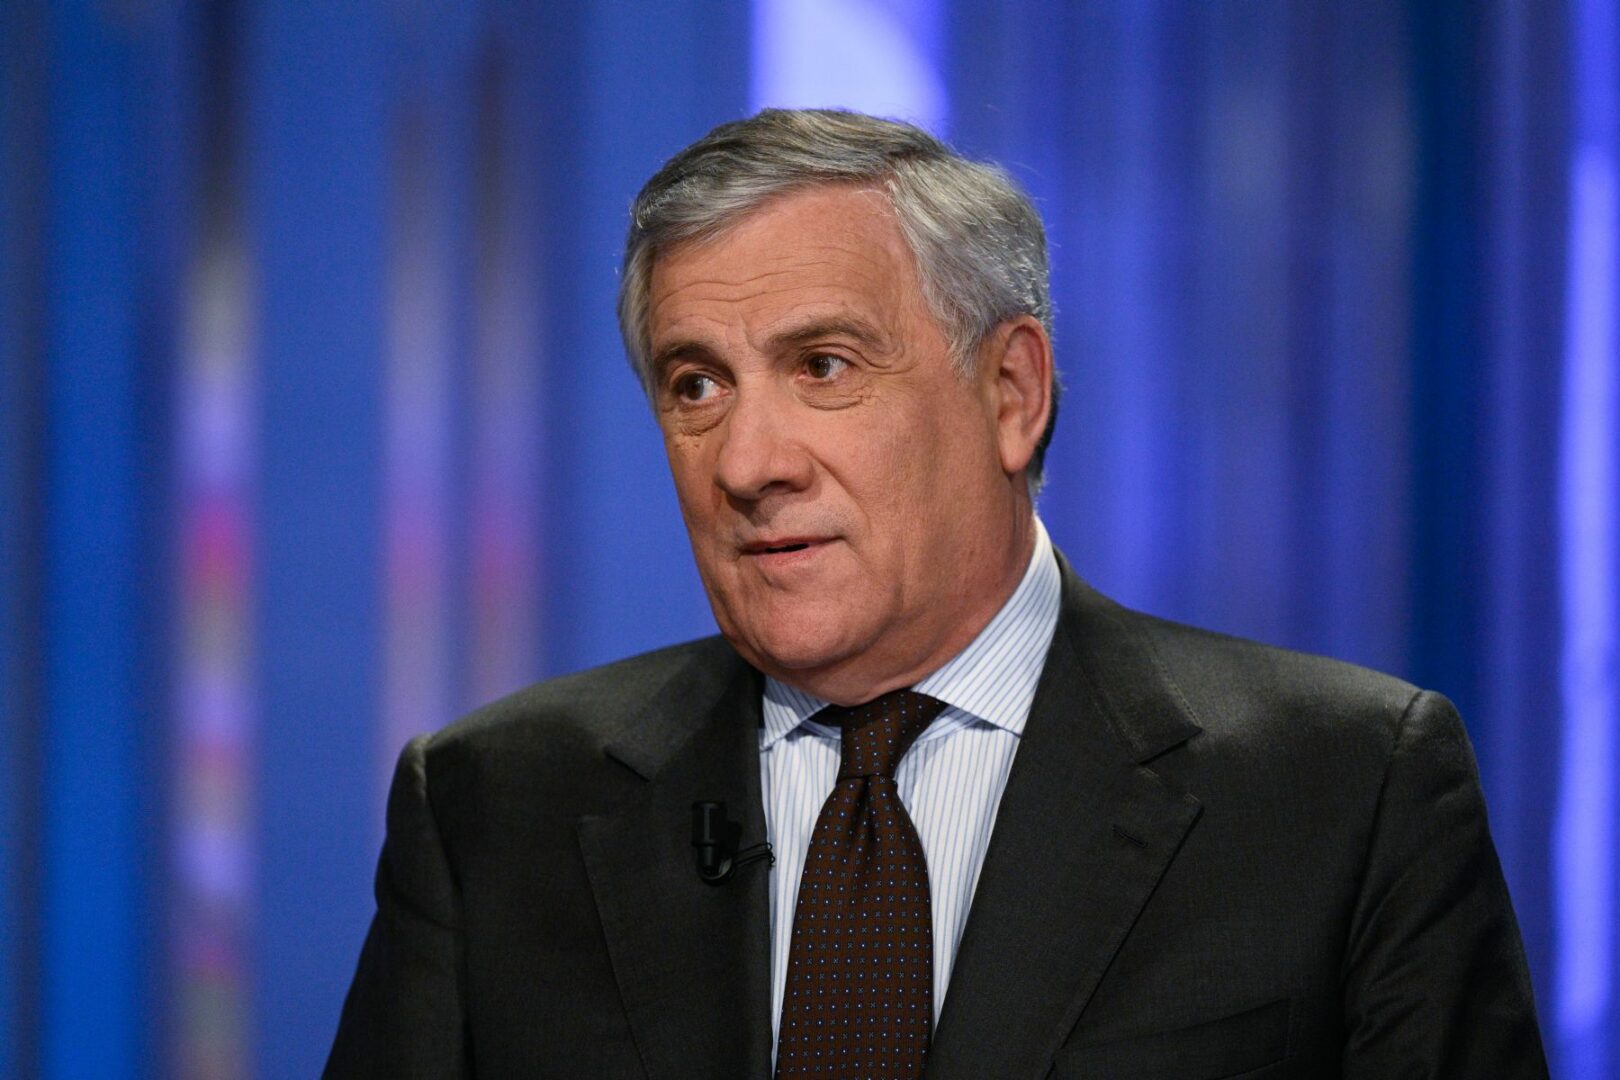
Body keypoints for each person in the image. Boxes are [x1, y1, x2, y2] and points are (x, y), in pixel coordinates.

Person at [325, 109, 1548, 1079]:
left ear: (1011, 394)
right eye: (696, 384)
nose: (747, 463)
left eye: (823, 366)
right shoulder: (495, 807)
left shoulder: (1344, 791)